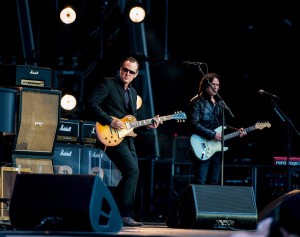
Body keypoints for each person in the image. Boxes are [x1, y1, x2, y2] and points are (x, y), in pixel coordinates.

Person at [87, 56, 161, 227]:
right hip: (110, 135)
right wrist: (109, 120)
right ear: (120, 69)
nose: (126, 73)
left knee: (133, 174)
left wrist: (150, 124)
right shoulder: (108, 84)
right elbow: (90, 103)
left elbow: (133, 122)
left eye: (131, 71)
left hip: (127, 139)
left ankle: (111, 208)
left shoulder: (133, 93)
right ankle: (123, 214)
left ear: (136, 75)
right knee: (132, 171)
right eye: (124, 69)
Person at [187, 72, 247, 185]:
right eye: (212, 84)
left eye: (217, 85)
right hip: (202, 145)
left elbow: (223, 125)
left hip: (216, 149)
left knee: (214, 181)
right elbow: (194, 124)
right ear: (205, 85)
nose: (215, 87)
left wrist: (237, 131)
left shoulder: (219, 104)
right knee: (200, 181)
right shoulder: (196, 102)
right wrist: (213, 134)